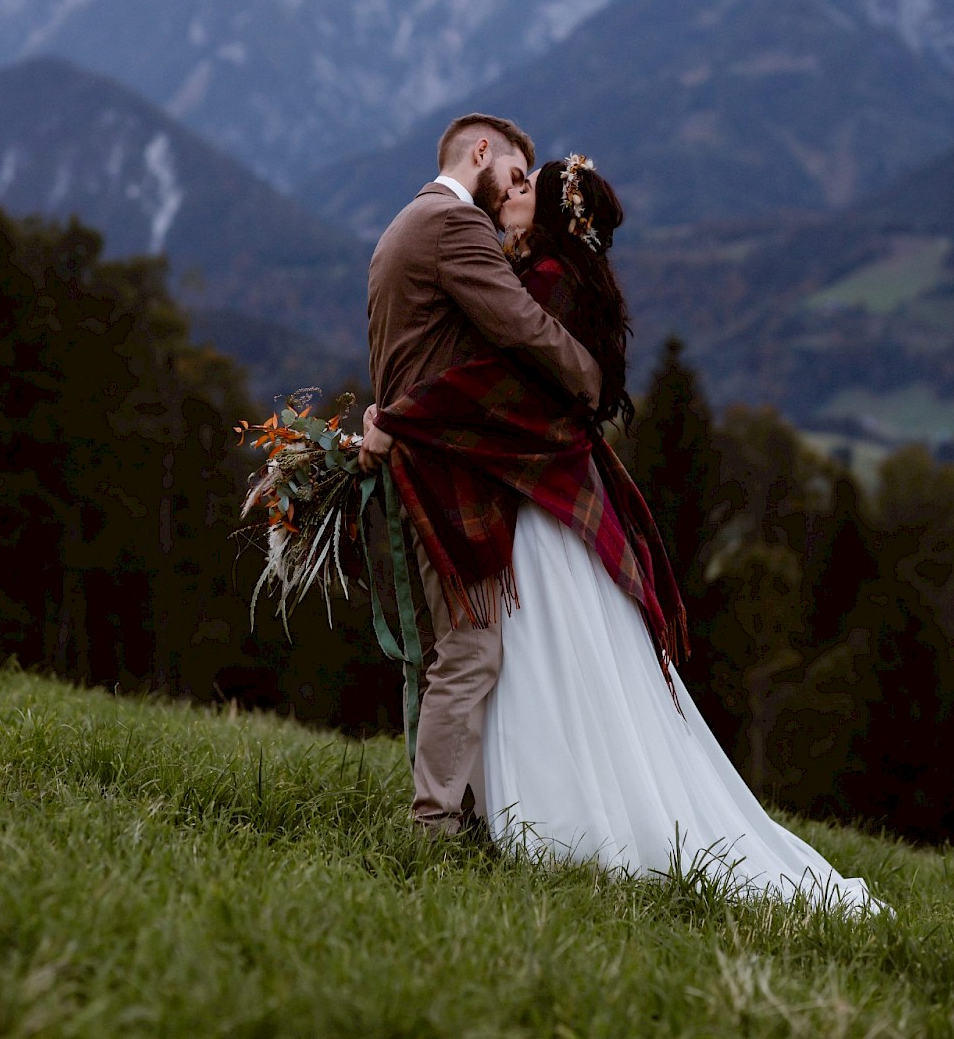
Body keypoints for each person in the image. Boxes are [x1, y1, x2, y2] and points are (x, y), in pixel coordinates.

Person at [374, 155, 887, 913]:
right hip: (549, 503)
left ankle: (554, 821)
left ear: (551, 212)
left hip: (543, 513)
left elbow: (505, 390)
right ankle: (517, 810)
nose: (509, 195)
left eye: (523, 188)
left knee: (546, 660)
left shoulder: (546, 280)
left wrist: (400, 418)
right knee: (558, 662)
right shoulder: (573, 280)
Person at [360, 115, 602, 839]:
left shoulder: (407, 221)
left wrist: (390, 421)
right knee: (468, 651)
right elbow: (522, 327)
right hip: (442, 469)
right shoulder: (455, 226)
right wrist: (593, 378)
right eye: (520, 176)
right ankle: (434, 826)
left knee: (453, 649)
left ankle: (462, 810)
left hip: (420, 454)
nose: (520, 193)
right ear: (482, 153)